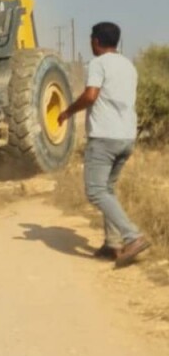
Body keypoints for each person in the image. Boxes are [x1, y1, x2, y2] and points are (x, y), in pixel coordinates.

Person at [57, 22, 149, 267]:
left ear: (96, 41)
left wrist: (67, 112)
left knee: (95, 191)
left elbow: (90, 95)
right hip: (126, 136)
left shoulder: (98, 64)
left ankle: (133, 236)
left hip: (105, 137)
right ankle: (112, 244)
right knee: (108, 189)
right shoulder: (128, 65)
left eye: (91, 39)